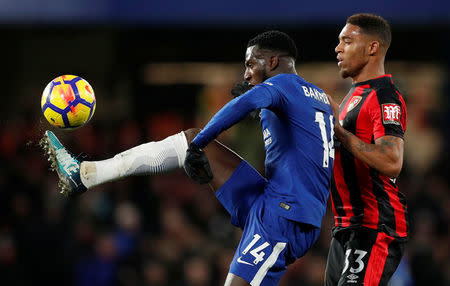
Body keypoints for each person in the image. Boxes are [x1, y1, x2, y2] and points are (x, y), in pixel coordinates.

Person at [42, 30, 335, 286]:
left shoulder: (280, 85)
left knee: (198, 141)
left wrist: (204, 142)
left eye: (250, 63)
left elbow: (242, 104)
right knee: (191, 139)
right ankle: (87, 173)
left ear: (272, 62)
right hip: (275, 199)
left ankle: (88, 174)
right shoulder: (317, 95)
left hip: (284, 216)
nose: (246, 73)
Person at [325, 14, 409, 286]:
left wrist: (340, 134)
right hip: (346, 227)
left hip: (374, 227)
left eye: (347, 41)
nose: (338, 48)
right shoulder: (353, 95)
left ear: (372, 47)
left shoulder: (384, 95)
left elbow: (391, 160)